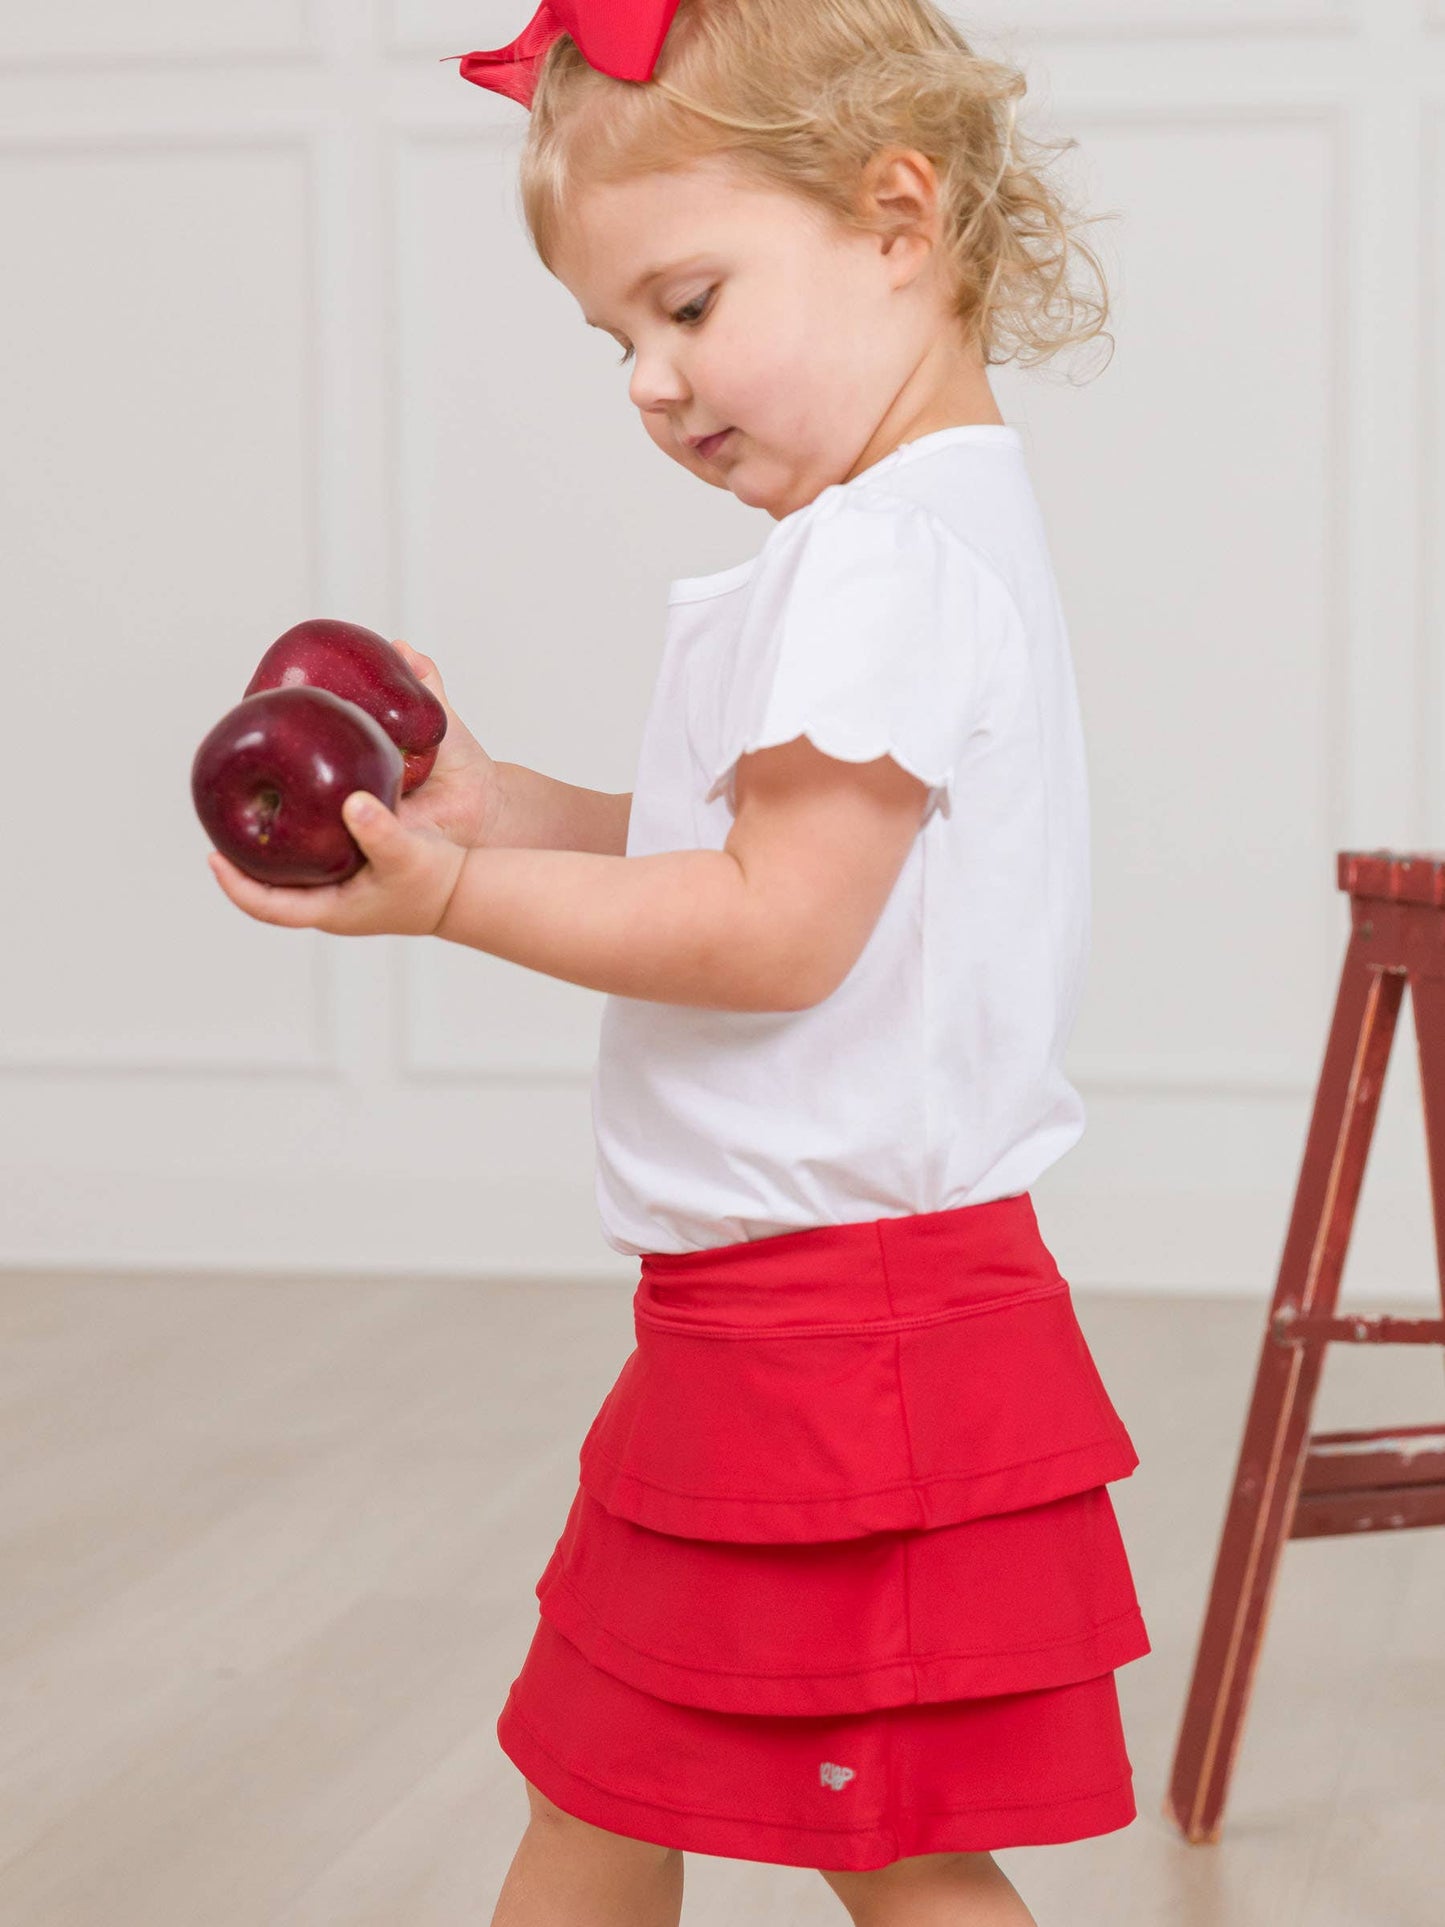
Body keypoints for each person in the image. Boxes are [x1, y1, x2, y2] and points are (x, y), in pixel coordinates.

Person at [206, 2, 1148, 1920]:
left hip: (843, 1333)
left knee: (871, 1847)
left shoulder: (881, 560)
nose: (648, 378)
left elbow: (771, 929)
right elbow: (728, 862)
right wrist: (491, 812)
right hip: (773, 1319)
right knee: (610, 1780)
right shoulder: (905, 533)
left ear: (899, 217)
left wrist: (449, 905)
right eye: (614, 337)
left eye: (690, 304)